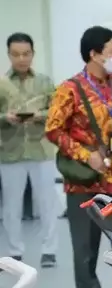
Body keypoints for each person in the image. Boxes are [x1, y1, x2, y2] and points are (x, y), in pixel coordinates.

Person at [45, 26, 112, 288]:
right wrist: (87, 156)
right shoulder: (69, 90)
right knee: (86, 252)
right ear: (94, 54)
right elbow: (53, 129)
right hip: (86, 187)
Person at [1, 33, 58, 267]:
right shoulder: (2, 83)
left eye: (26, 54)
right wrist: (6, 118)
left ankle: (49, 250)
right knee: (11, 206)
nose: (21, 59)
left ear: (33, 54)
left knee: (47, 203)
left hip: (41, 150)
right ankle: (15, 251)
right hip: (10, 152)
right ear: (8, 55)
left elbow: (57, 112)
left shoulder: (45, 82)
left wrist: (38, 116)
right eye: (16, 54)